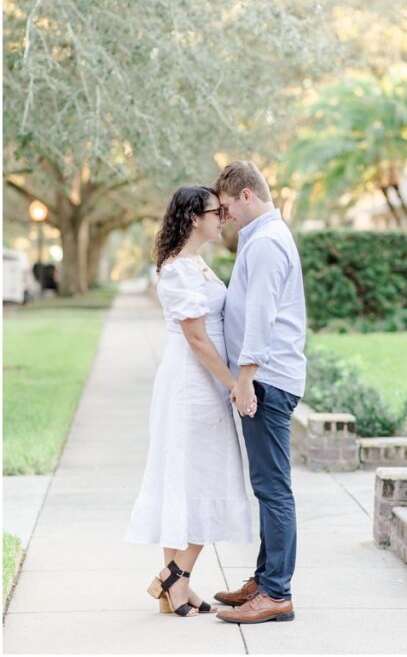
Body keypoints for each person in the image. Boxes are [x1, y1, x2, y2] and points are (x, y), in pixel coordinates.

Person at [125, 186, 252, 617]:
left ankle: (175, 587)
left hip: (204, 381)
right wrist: (234, 384)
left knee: (194, 477)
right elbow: (196, 337)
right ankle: (174, 577)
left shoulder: (197, 264)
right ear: (195, 218)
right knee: (198, 478)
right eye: (218, 212)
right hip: (192, 385)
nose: (225, 217)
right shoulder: (178, 270)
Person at [212, 161, 307, 625]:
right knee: (267, 486)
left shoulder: (267, 243)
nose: (224, 216)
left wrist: (245, 378)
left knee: (273, 489)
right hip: (264, 378)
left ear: (246, 195)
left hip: (266, 381)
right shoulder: (260, 238)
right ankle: (264, 579)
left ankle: (276, 592)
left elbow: (262, 316)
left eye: (227, 206)